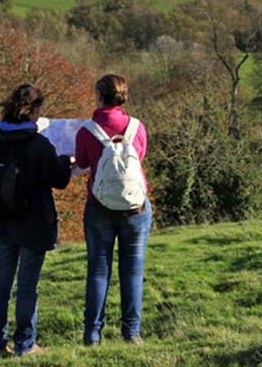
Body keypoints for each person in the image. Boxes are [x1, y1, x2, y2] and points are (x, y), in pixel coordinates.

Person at [0, 84, 73, 357]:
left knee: (1, 284)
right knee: (27, 286)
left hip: (0, 220)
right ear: (34, 111)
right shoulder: (40, 144)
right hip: (33, 224)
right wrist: (66, 161)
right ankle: (25, 344)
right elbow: (59, 180)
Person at [75, 74, 152, 346]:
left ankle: (92, 335)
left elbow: (83, 163)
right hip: (136, 208)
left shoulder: (87, 131)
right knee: (132, 271)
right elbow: (138, 158)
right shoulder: (137, 127)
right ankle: (131, 333)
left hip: (100, 207)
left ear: (99, 96)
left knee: (98, 270)